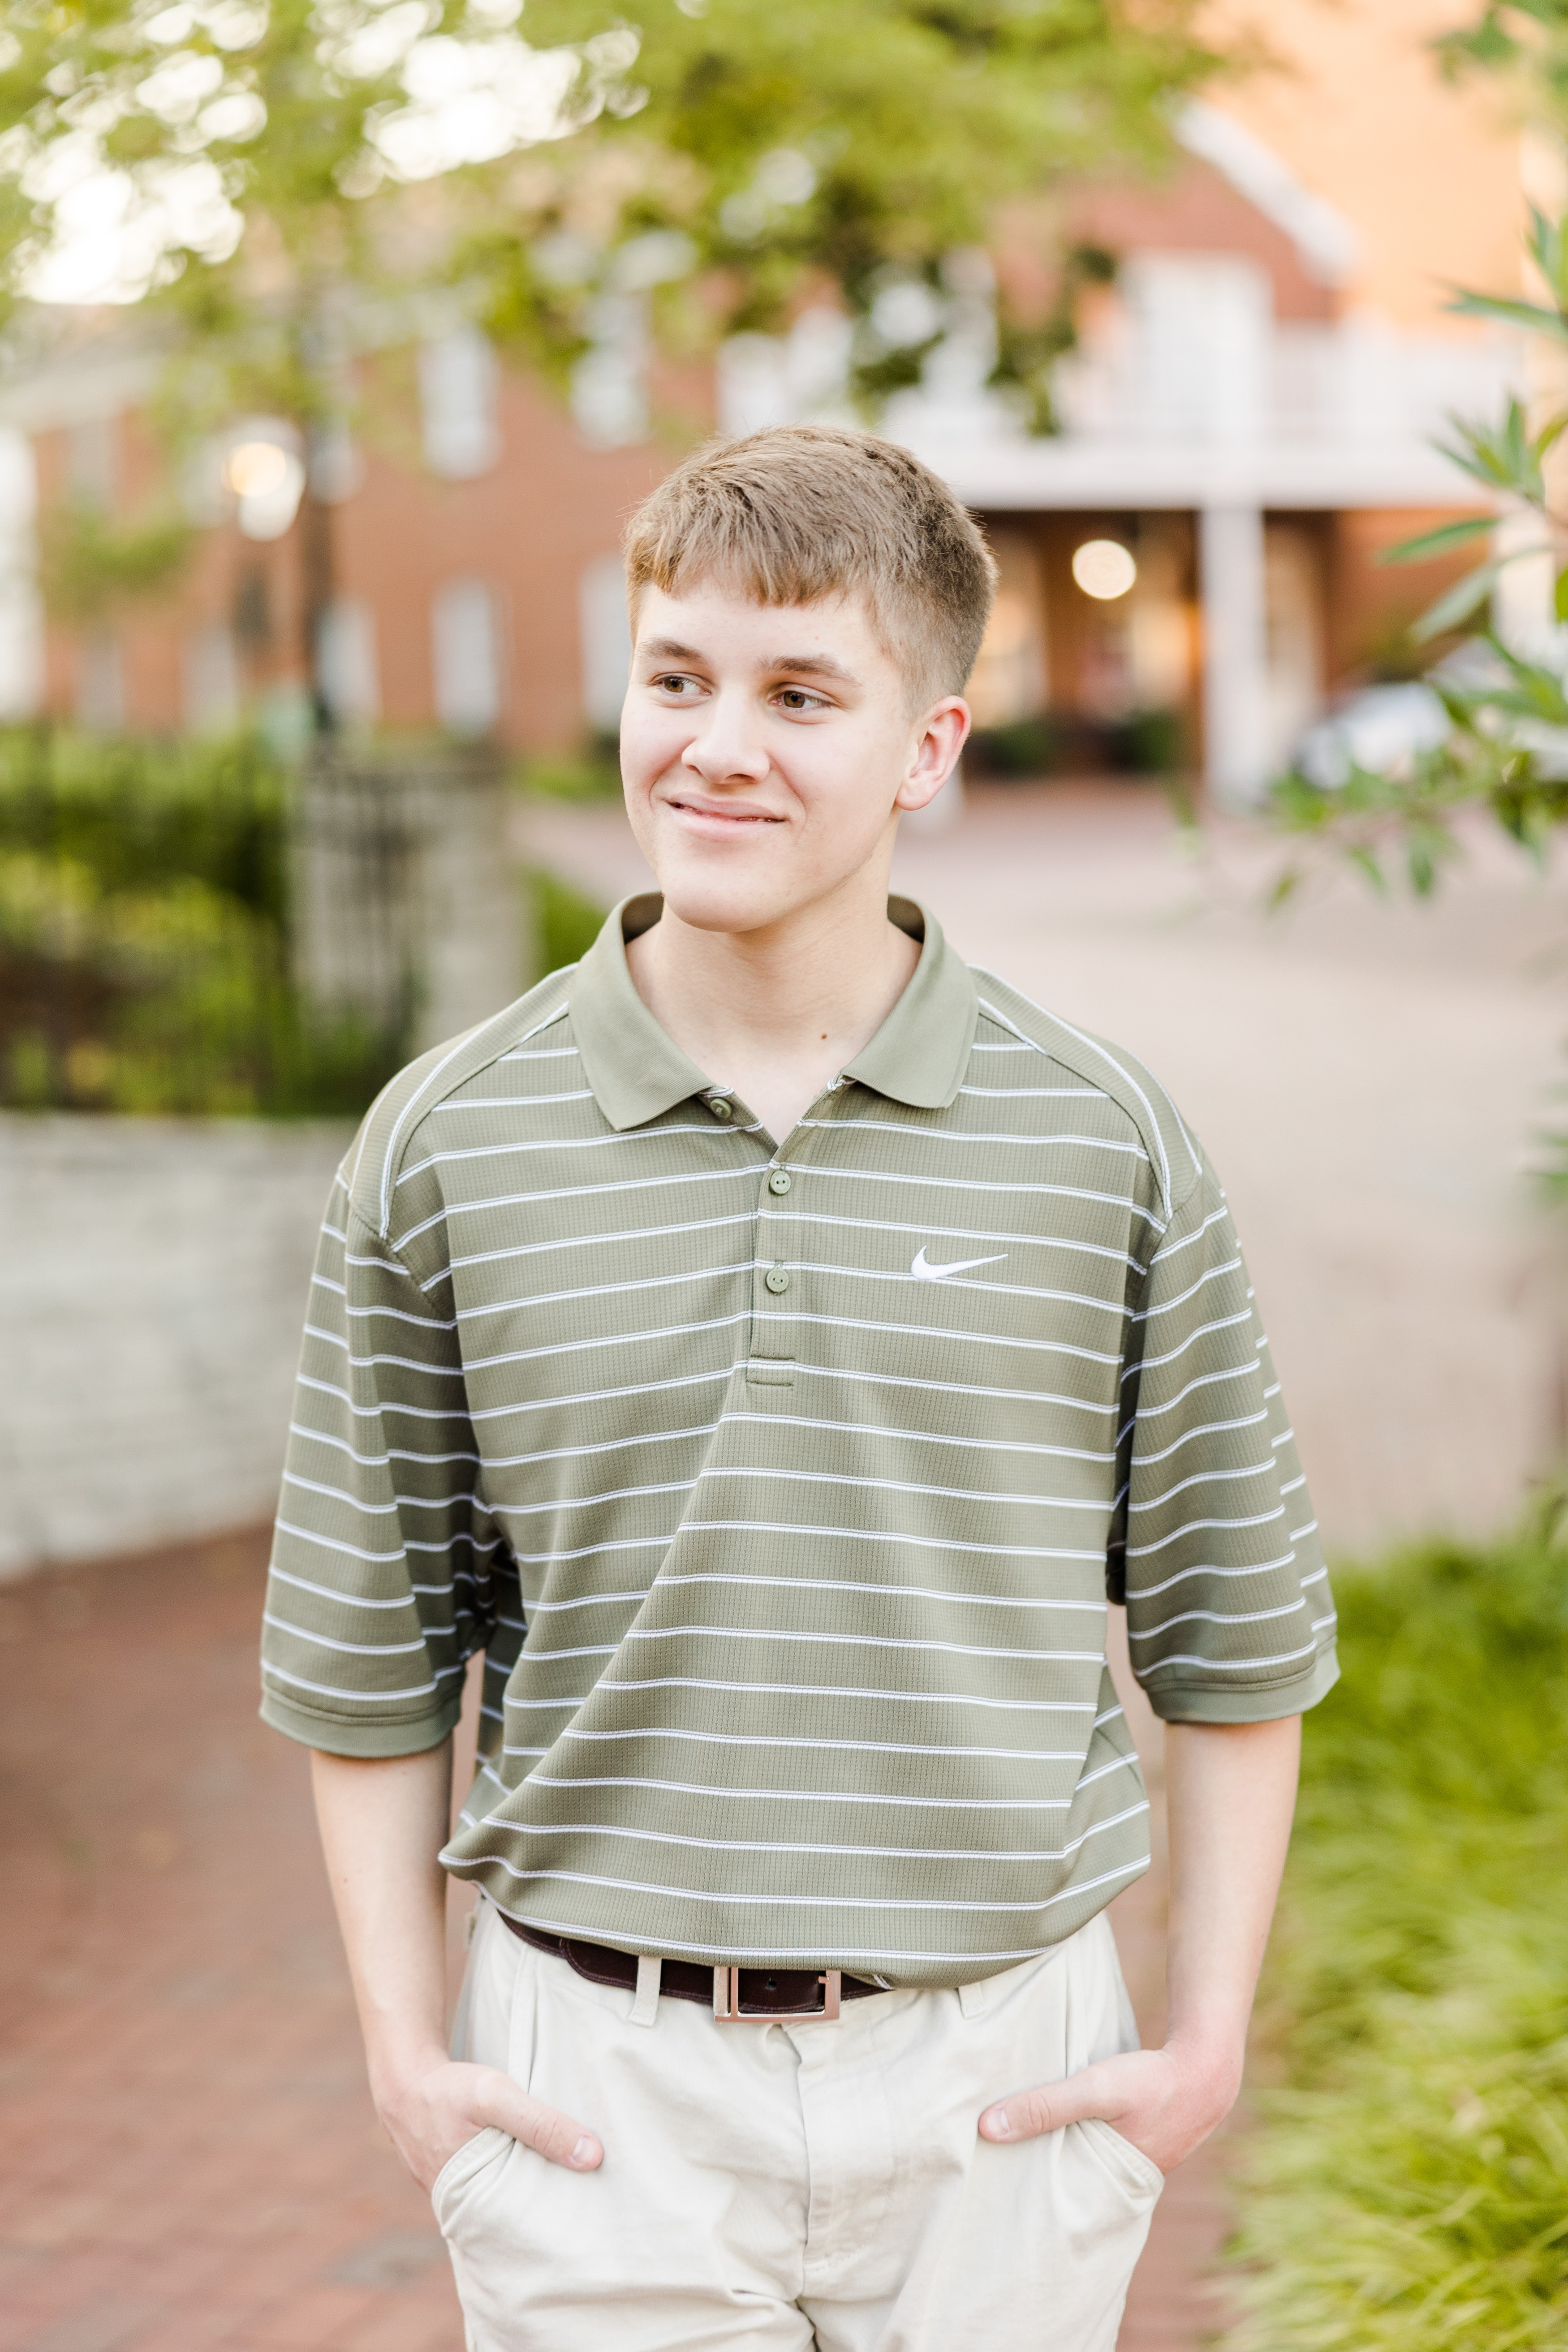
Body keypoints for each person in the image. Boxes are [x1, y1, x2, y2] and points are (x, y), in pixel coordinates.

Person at [260, 424, 1337, 2352]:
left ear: (926, 744)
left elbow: (1230, 1630)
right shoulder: (443, 1143)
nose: (714, 744)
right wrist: (406, 2056)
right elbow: (365, 1647)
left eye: (797, 692)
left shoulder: (1101, 1138)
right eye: (672, 677)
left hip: (1000, 2073)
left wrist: (1202, 2032)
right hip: (595, 2087)